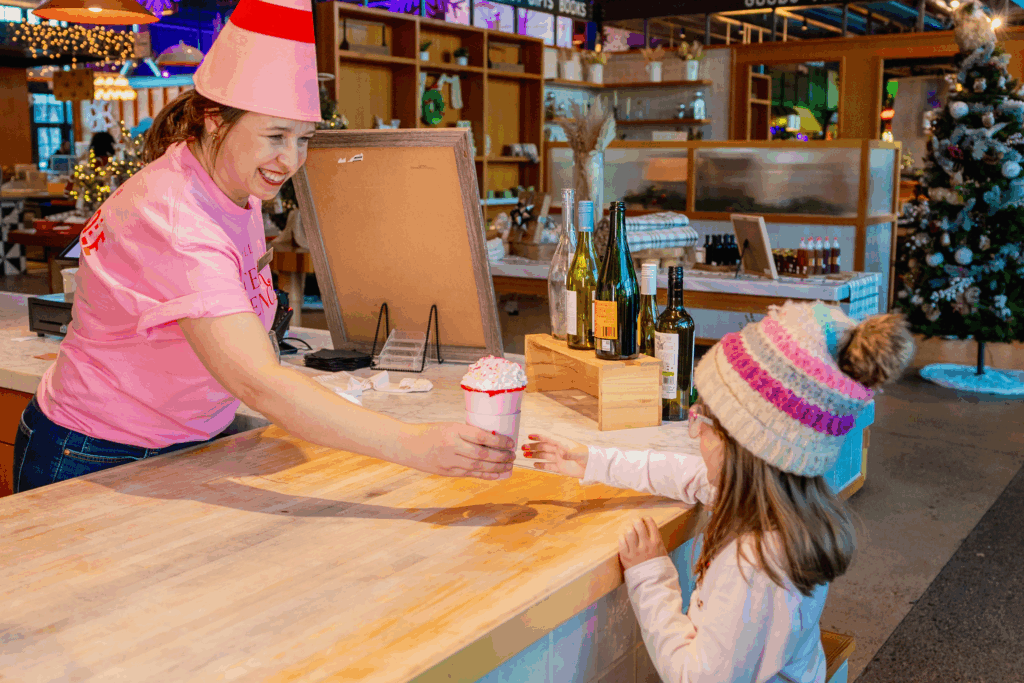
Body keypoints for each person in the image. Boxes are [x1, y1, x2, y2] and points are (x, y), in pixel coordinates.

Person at [12, 0, 514, 494]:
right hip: (96, 451)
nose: (290, 159)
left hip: (183, 439)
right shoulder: (174, 216)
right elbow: (256, 382)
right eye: (275, 136)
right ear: (213, 118)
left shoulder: (231, 180)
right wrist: (415, 444)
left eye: (303, 139)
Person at [523, 302, 915, 682]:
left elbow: (694, 676)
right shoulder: (781, 510)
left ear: (742, 448)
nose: (696, 435)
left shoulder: (754, 563)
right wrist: (590, 461)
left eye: (702, 421)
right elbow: (688, 474)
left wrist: (651, 575)